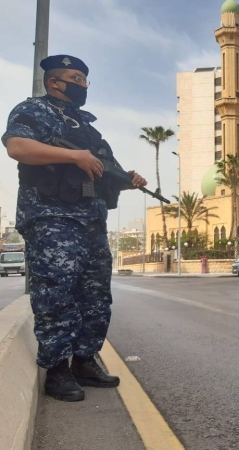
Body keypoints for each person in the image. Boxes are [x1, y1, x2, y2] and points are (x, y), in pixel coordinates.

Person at [2, 55, 148, 401]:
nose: (82, 85)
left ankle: (85, 361)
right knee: (55, 293)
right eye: (75, 78)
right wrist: (74, 156)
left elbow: (104, 172)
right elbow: (17, 147)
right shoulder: (34, 110)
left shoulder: (87, 127)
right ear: (54, 82)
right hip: (52, 218)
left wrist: (128, 179)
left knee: (95, 296)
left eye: (84, 80)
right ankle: (56, 370)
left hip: (91, 221)